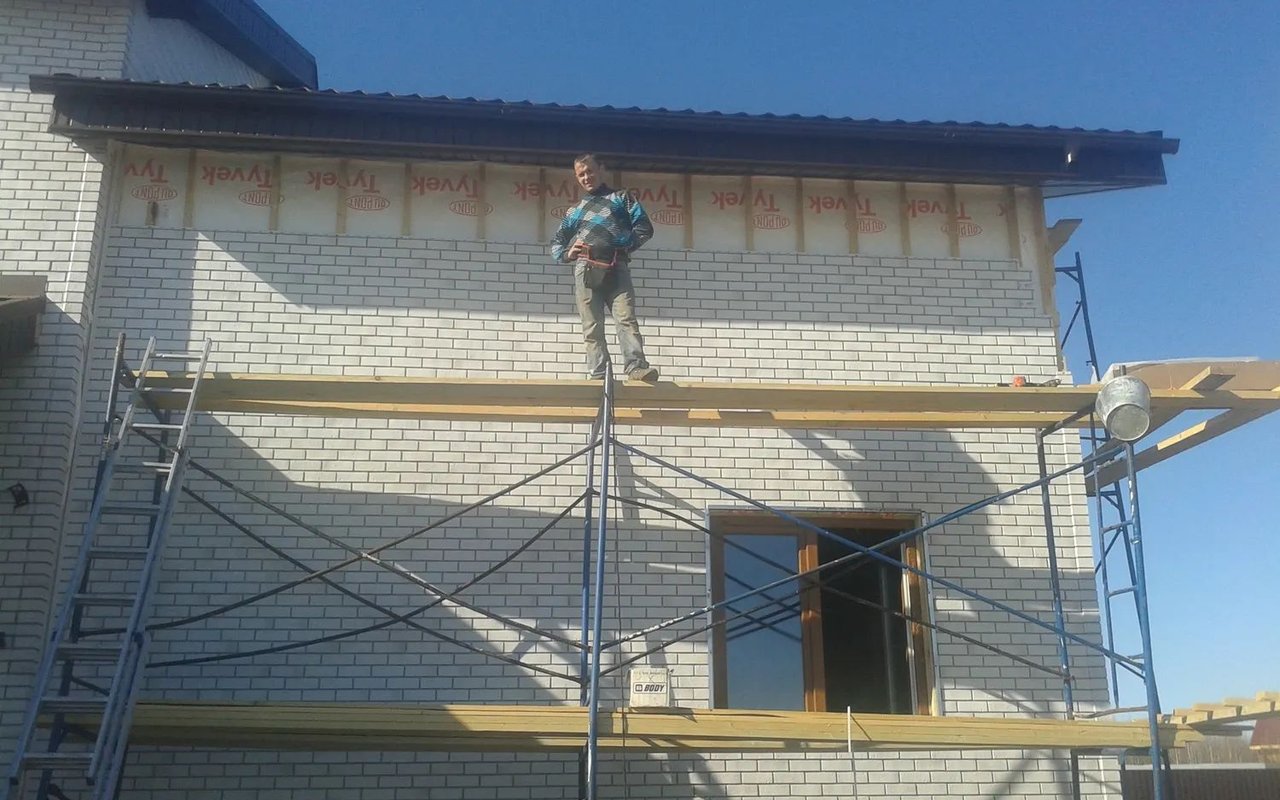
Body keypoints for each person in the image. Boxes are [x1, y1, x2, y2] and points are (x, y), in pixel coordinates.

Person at [550, 154, 658, 381]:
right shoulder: (575, 211)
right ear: (577, 178)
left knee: (626, 319)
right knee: (592, 326)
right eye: (581, 174)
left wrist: (622, 245)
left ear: (601, 169)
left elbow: (644, 228)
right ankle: (598, 373)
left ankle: (636, 368)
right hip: (586, 269)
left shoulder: (621, 198)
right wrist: (567, 254)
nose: (586, 177)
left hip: (616, 266)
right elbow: (556, 243)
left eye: (590, 171)